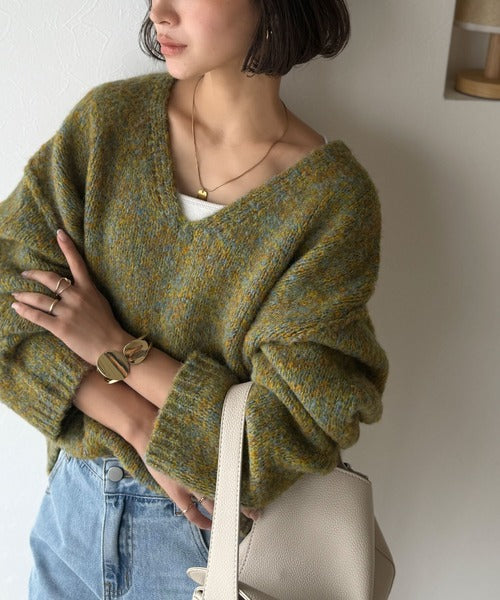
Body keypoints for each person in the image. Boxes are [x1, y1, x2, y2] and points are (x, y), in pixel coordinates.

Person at [0, 0, 389, 598]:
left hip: (206, 542)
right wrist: (136, 424)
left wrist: (114, 346)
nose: (160, 10)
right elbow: (7, 304)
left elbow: (276, 438)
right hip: (73, 512)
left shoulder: (328, 202)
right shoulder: (108, 127)